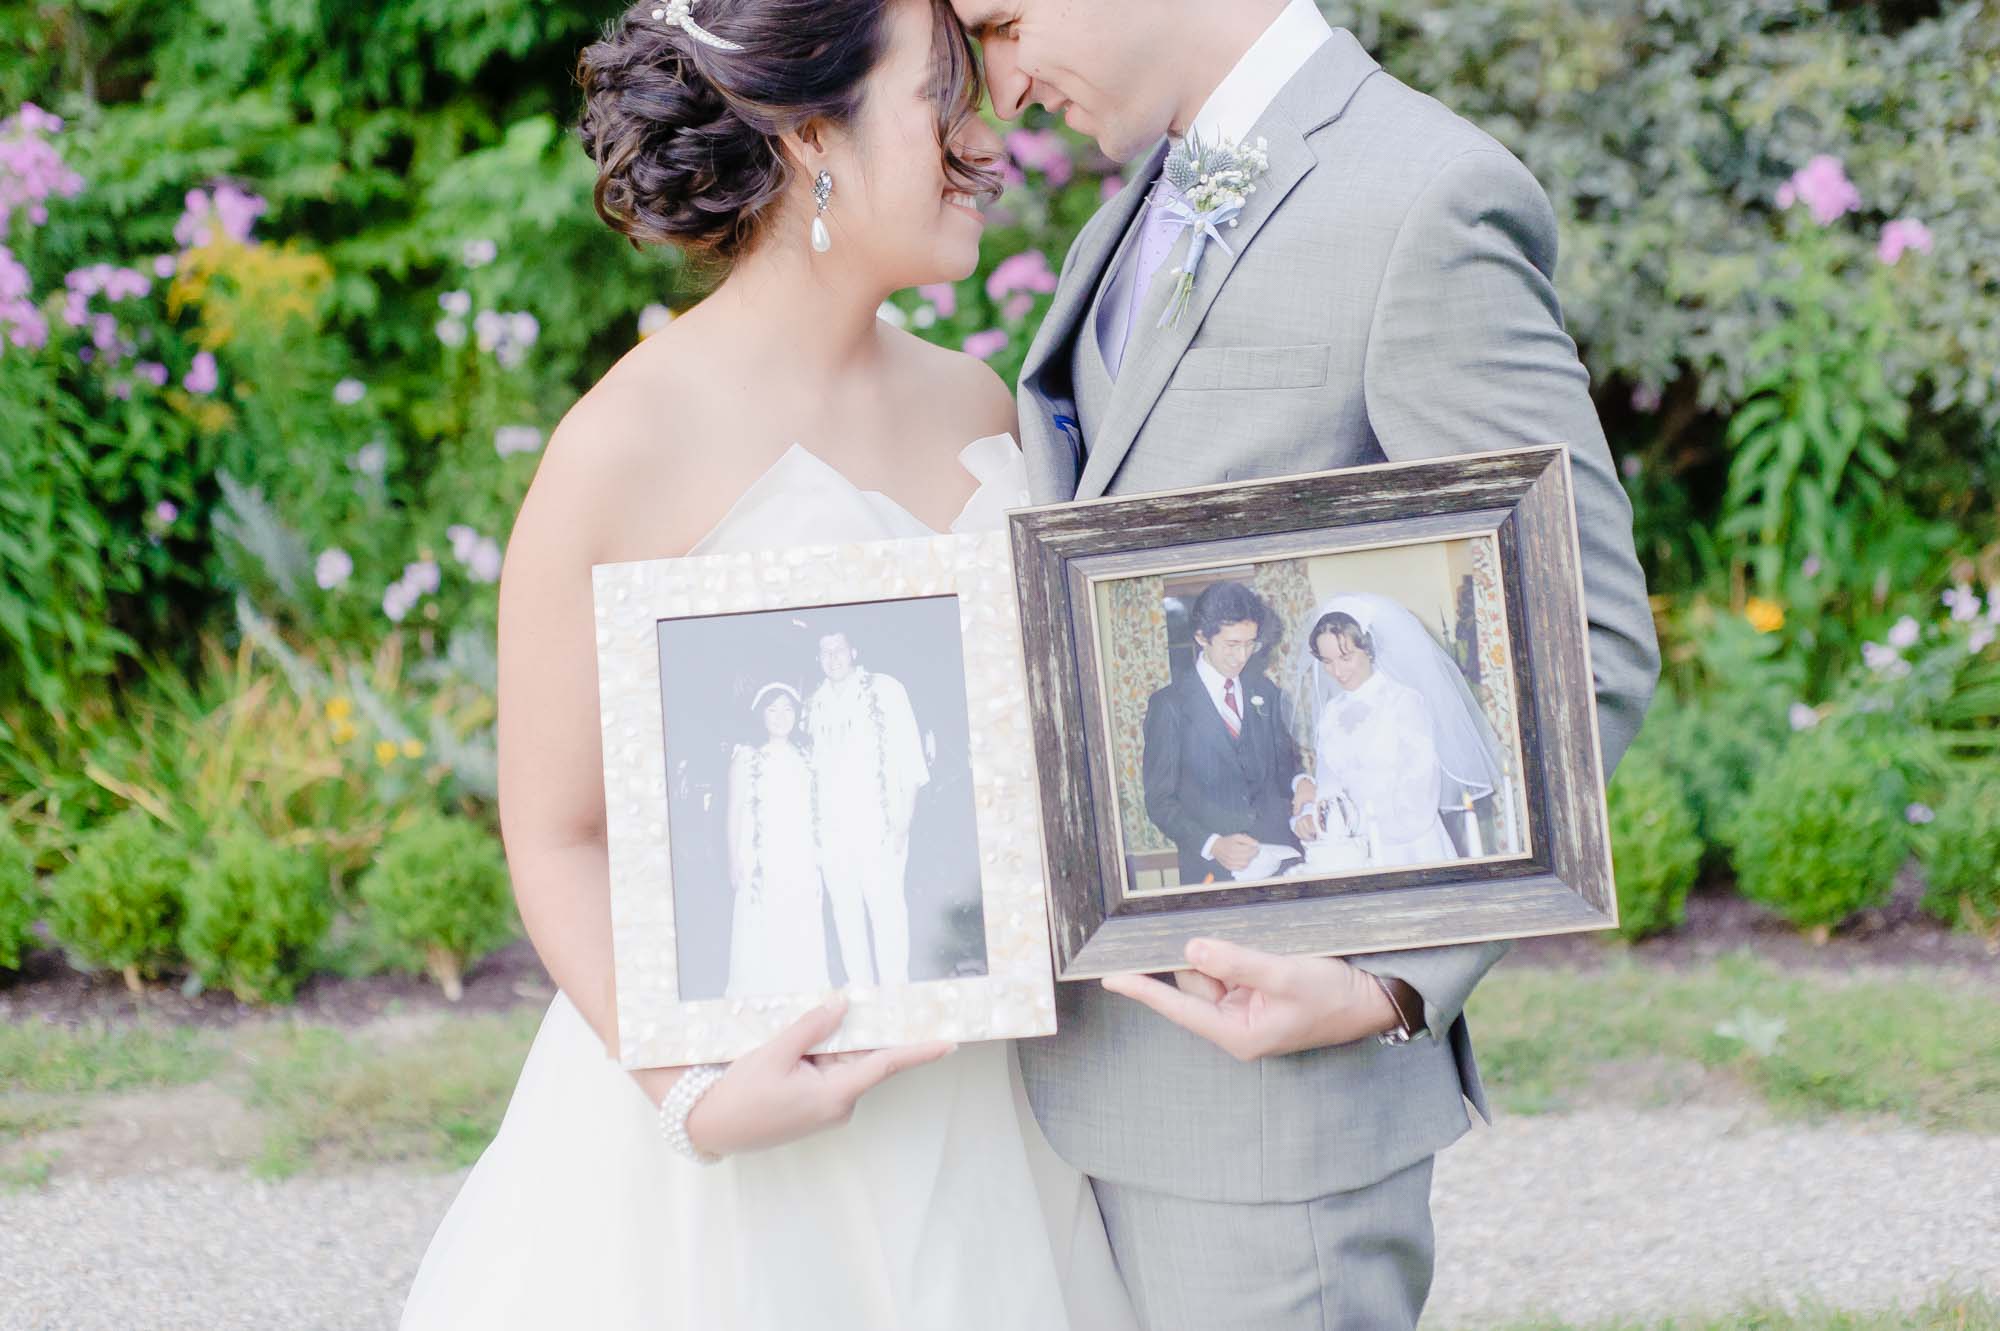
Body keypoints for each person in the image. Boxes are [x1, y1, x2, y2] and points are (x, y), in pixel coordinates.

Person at [398, 1, 1135, 1326]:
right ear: (811, 133)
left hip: (989, 1105)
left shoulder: (977, 400)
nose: (988, 134)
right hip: (745, 1129)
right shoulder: (624, 446)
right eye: (943, 99)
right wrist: (691, 1086)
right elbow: (558, 829)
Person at [954, 0, 1661, 1325]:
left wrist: (1391, 979)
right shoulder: (1152, 187)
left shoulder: (1421, 196)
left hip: (1277, 1131)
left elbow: (1589, 626)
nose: (1000, 91)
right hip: (1077, 1095)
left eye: (997, 23)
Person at [1298, 597, 1509, 868]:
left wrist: (1358, 824)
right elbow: (1328, 787)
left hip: (1407, 845)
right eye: (1327, 661)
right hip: (1349, 850)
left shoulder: (1404, 702)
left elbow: (1418, 796)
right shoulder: (1331, 713)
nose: (1337, 671)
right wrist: (1313, 817)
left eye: (1345, 657)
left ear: (1369, 649)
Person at [1138, 581, 1311, 886]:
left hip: (1282, 861)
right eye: (1232, 644)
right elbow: (1160, 800)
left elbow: (1285, 767)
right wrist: (1213, 844)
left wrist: (1302, 782)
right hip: (1214, 872)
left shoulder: (1265, 692)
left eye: (1250, 643)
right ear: (1202, 637)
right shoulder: (1169, 705)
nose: (1242, 656)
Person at [804, 629, 928, 985]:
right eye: (824, 651)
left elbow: (910, 756)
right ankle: (862, 992)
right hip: (832, 832)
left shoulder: (886, 689)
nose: (832, 657)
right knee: (845, 914)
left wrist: (903, 821)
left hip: (880, 825)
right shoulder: (814, 703)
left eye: (838, 649)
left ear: (853, 650)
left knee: (886, 911)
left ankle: (895, 995)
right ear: (818, 659)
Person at [722, 683, 829, 998]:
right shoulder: (747, 757)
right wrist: (733, 859)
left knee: (800, 924)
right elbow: (735, 810)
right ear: (761, 715)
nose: (781, 716)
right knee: (761, 925)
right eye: (772, 709)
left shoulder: (806, 756)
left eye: (787, 708)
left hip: (801, 854)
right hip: (761, 859)